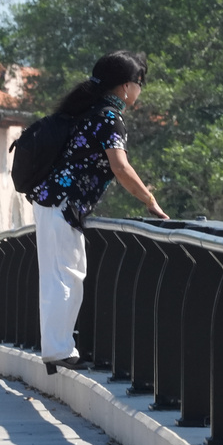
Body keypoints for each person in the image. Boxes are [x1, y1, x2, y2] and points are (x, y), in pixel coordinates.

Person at [29, 50, 168, 373]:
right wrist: (149, 201)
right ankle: (58, 350)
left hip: (53, 199)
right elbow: (120, 167)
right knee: (67, 275)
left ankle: (57, 349)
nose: (140, 89)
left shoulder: (90, 111)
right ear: (124, 87)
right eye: (139, 82)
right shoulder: (107, 117)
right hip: (63, 202)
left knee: (59, 274)